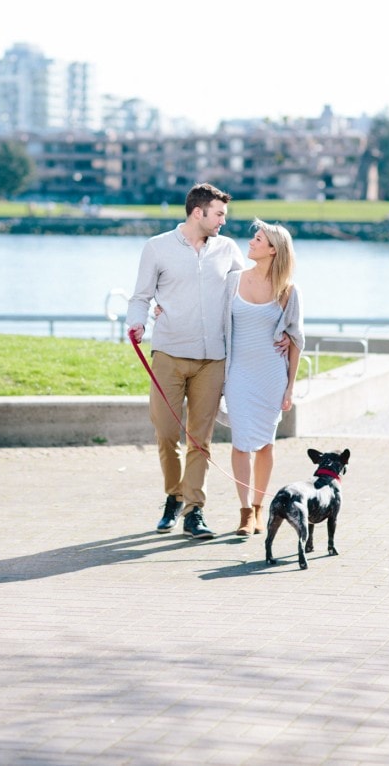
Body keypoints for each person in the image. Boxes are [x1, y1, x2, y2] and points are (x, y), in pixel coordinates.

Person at [126, 183, 244, 539]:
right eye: (219, 214)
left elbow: (247, 292)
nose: (223, 221)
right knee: (165, 434)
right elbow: (140, 297)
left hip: (213, 359)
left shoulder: (227, 249)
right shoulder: (157, 248)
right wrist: (136, 322)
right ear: (199, 212)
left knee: (200, 439)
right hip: (169, 355)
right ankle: (173, 496)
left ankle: (194, 510)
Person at [222, 219, 305, 537]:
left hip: (271, 376)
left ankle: (259, 509)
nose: (251, 242)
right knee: (241, 442)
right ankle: (244, 513)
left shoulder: (288, 291)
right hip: (238, 375)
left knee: (266, 445)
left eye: (258, 239)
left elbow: (297, 340)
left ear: (273, 249)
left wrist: (290, 387)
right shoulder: (233, 281)